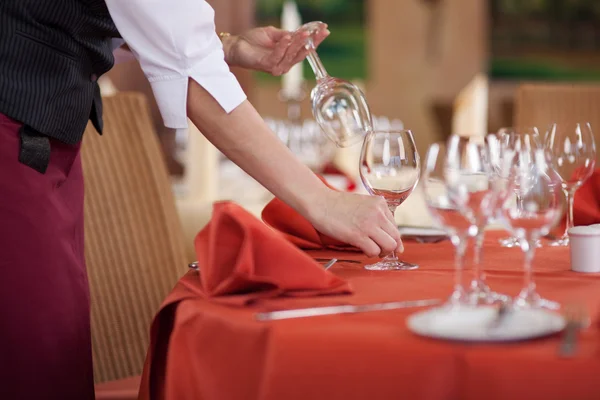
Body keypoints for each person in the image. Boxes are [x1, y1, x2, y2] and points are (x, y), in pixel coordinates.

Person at [0, 1, 403, 399]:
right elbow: (191, 70)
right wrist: (322, 201)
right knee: (36, 367)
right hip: (12, 144)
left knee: (51, 356)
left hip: (43, 145)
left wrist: (226, 47)